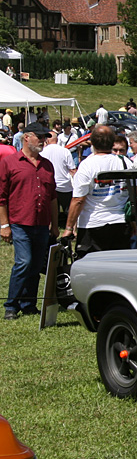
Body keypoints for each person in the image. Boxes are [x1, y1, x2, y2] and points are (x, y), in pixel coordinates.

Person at [0, 123, 59, 320]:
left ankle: (28, 303)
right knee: (23, 262)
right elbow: (1, 197)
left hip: (41, 223)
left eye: (45, 137)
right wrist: (4, 225)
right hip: (19, 222)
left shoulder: (47, 165)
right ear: (27, 137)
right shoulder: (10, 162)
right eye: (39, 137)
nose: (43, 141)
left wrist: (55, 225)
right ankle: (11, 305)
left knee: (35, 265)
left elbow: (52, 197)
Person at [63, 126, 130, 258]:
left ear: (92, 143)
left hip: (93, 223)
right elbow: (135, 192)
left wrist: (69, 228)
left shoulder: (87, 165)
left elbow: (78, 200)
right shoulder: (125, 163)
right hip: (120, 223)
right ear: (112, 143)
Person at [40, 130, 76, 229]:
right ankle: (72, 229)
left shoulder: (42, 151)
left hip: (49, 184)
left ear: (46, 140)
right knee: (69, 209)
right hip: (64, 185)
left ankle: (51, 227)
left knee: (50, 210)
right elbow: (72, 169)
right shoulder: (65, 151)